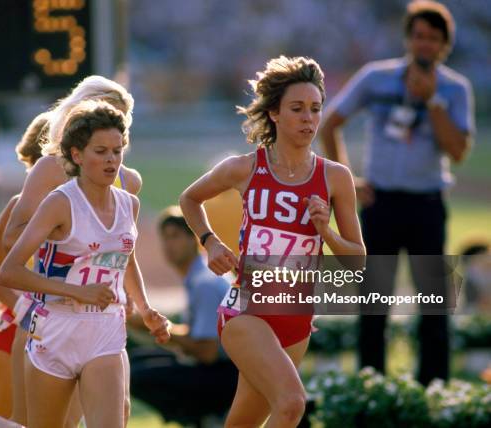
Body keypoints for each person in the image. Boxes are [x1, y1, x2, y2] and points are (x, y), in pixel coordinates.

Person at [180, 56, 365, 427]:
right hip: (245, 311)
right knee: (292, 403)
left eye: (316, 109)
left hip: (296, 317)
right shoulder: (244, 167)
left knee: (244, 421)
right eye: (297, 109)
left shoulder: (336, 178)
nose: (308, 118)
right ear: (275, 114)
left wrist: (325, 232)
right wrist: (211, 242)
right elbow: (190, 199)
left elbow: (358, 260)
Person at [319, 0, 474, 385]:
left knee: (435, 305)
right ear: (408, 38)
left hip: (427, 204)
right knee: (373, 304)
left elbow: (458, 151)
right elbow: (330, 124)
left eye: (433, 39)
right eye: (418, 36)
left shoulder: (455, 88)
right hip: (380, 202)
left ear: (444, 45)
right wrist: (348, 180)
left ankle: (433, 389)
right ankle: (372, 387)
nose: (424, 44)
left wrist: (432, 101)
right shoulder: (376, 77)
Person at [0, 100, 170, 428]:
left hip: (105, 330)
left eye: (117, 151)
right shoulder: (60, 203)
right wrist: (77, 291)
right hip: (55, 329)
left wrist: (146, 309)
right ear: (77, 155)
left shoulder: (129, 204)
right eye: (100, 151)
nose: (111, 160)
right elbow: (10, 271)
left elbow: (125, 258)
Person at [129, 205, 238, 426]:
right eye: (165, 238)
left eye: (175, 236)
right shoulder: (198, 274)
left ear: (193, 240)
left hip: (227, 375)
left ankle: (201, 416)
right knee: (132, 360)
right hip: (222, 368)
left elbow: (207, 351)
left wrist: (157, 328)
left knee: (135, 375)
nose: (169, 245)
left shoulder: (205, 281)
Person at [0, 111, 50, 419]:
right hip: (16, 328)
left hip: (64, 330)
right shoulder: (20, 206)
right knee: (11, 421)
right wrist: (27, 311)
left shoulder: (82, 207)